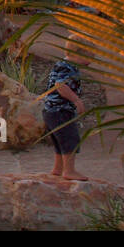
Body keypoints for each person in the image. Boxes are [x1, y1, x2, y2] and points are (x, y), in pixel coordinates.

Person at [42, 42, 87, 180]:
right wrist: (76, 100)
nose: (92, 59)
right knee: (70, 139)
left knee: (59, 140)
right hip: (60, 110)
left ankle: (58, 168)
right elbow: (60, 86)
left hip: (50, 111)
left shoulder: (63, 65)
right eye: (90, 55)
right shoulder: (67, 68)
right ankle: (69, 170)